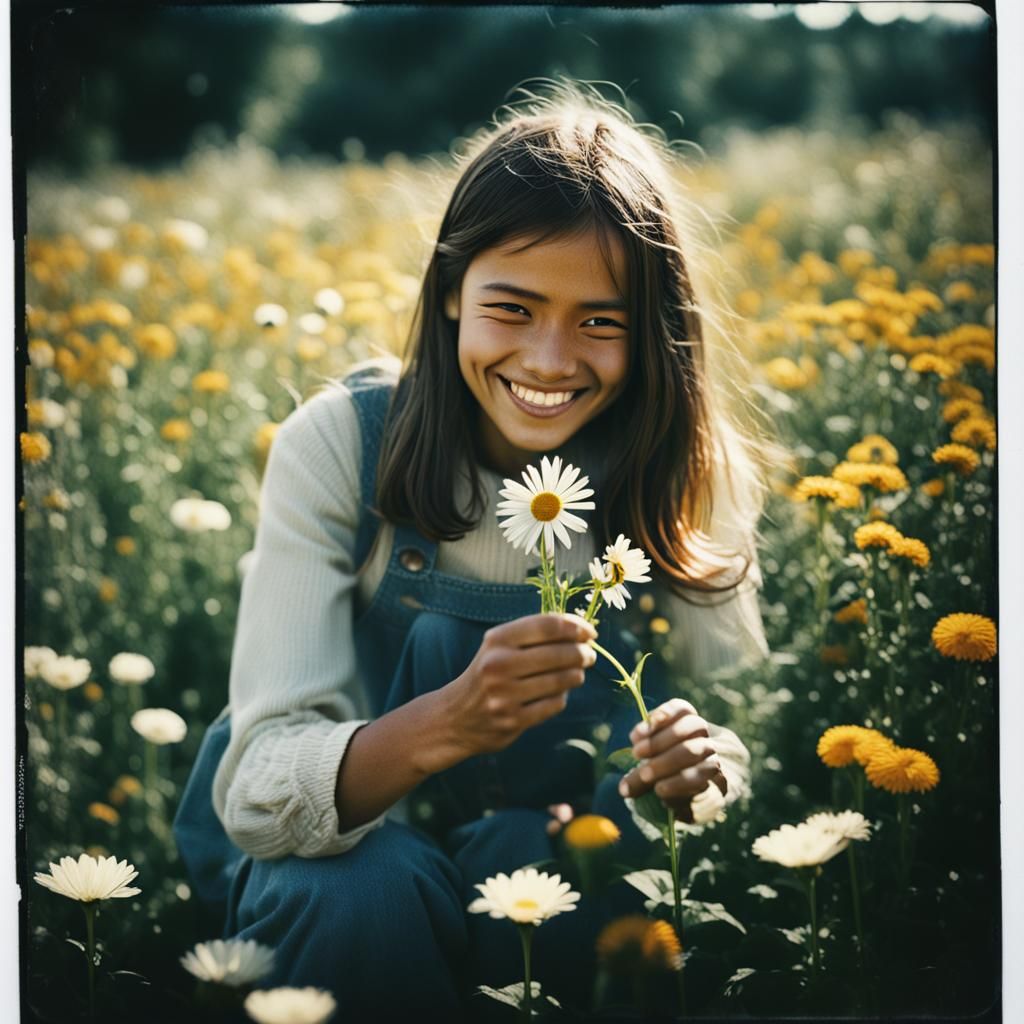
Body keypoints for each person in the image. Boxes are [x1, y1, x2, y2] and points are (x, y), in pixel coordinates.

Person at [174, 82, 771, 1020]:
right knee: (356, 892)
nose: (548, 359)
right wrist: (451, 720)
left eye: (600, 320)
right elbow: (256, 791)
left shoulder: (686, 472)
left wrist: (696, 771)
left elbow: (734, 722)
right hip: (338, 865)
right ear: (451, 290)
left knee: (572, 874)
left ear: (652, 327)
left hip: (557, 846)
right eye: (514, 307)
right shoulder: (340, 446)